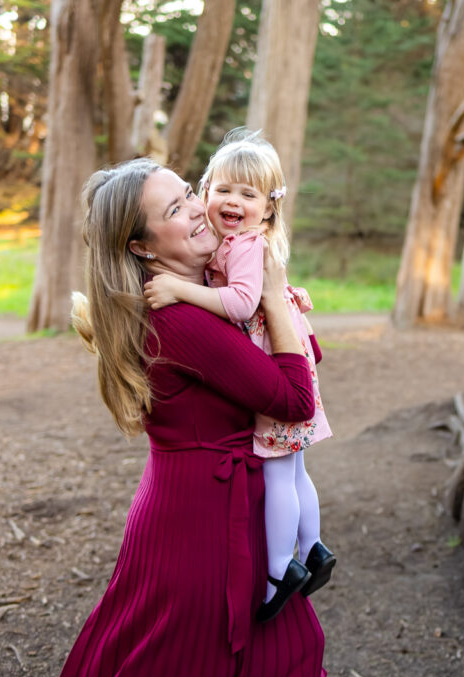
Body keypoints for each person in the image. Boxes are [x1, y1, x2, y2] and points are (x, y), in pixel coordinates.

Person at [59, 158, 325, 677]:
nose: (199, 209)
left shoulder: (209, 294)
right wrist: (272, 294)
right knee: (195, 659)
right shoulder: (178, 319)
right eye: (174, 209)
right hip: (204, 523)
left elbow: (307, 353)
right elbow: (297, 400)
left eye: (188, 192)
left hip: (197, 504)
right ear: (142, 247)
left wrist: (280, 304)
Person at [143, 129, 334, 623]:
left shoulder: (245, 248)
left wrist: (182, 291)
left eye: (247, 195)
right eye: (220, 189)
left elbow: (242, 303)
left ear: (268, 209)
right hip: (282, 355)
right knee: (295, 470)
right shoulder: (239, 244)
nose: (230, 201)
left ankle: (279, 570)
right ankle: (312, 548)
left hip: (277, 364)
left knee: (280, 471)